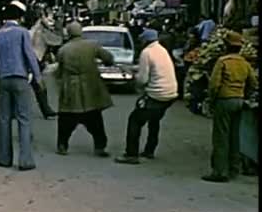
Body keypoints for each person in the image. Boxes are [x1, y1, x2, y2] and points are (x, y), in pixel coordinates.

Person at [0, 0, 40, 171]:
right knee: (24, 119)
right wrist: (37, 76)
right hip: (20, 78)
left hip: (4, 79)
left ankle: (4, 159)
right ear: (19, 17)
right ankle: (25, 161)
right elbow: (29, 55)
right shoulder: (22, 33)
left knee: (4, 119)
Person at [115, 29, 178, 164]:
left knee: (135, 120)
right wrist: (135, 69)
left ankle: (131, 154)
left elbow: (142, 79)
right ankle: (150, 149)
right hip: (170, 93)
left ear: (144, 40)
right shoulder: (161, 50)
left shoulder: (146, 52)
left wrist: (133, 76)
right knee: (154, 120)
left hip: (156, 94)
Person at [202, 31, 258, 183]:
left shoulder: (223, 62)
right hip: (239, 101)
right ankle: (234, 169)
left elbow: (214, 85)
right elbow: (253, 83)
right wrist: (243, 94)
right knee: (235, 136)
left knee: (221, 137)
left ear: (226, 46)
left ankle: (220, 172)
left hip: (224, 100)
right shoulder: (244, 63)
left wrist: (211, 100)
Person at [55, 22, 114, 157]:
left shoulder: (63, 50)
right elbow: (108, 58)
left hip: (71, 86)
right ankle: (100, 146)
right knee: (95, 118)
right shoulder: (92, 45)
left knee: (66, 118)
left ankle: (62, 145)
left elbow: (59, 71)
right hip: (90, 85)